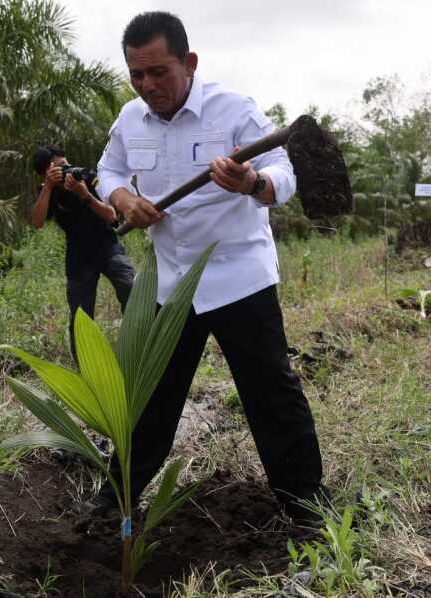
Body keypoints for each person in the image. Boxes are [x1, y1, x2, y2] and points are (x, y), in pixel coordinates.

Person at [92, 11, 328, 525]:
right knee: (149, 396)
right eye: (137, 74)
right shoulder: (130, 119)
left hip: (237, 278)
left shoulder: (233, 109)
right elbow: (106, 169)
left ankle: (306, 506)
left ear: (189, 62)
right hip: (171, 284)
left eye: (159, 72)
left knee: (270, 393)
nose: (147, 85)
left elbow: (282, 173)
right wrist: (123, 198)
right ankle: (116, 501)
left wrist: (251, 184)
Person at [31, 145, 135, 362]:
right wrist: (48, 187)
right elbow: (37, 222)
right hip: (78, 257)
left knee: (130, 287)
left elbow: (111, 215)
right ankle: (85, 367)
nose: (67, 170)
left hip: (107, 246)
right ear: (45, 173)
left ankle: (138, 346)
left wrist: (85, 195)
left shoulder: (86, 178)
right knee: (80, 317)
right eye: (60, 168)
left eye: (66, 163)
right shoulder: (47, 191)